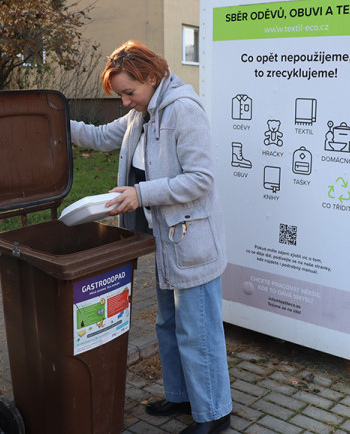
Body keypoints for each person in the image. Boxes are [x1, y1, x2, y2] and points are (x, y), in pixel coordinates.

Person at [69, 40, 232, 434]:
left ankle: (214, 414)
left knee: (198, 329)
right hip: (162, 239)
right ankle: (180, 395)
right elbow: (99, 136)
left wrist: (139, 195)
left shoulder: (183, 111)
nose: (125, 102)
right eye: (122, 94)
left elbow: (200, 180)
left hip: (190, 242)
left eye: (129, 92)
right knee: (168, 323)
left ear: (152, 77)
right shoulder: (142, 114)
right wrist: (54, 119)